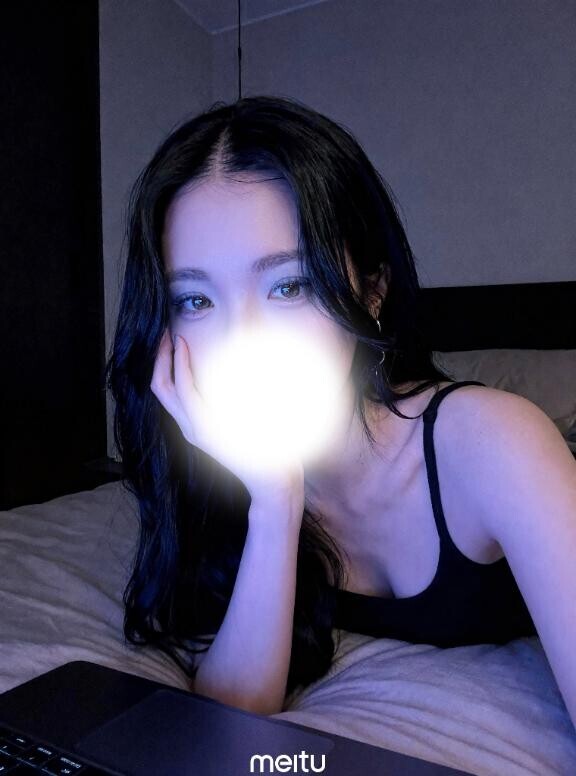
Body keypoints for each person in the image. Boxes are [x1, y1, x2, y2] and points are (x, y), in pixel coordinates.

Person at [105, 95, 576, 724]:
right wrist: (275, 502)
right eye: (195, 301)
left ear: (372, 291)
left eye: (288, 286)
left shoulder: (496, 442)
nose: (241, 341)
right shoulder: (208, 468)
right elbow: (232, 718)